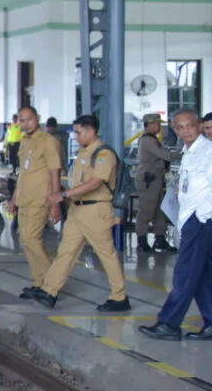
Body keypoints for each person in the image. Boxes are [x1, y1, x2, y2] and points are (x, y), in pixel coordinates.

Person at [21, 115, 131, 312]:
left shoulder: (104, 154)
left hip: (96, 211)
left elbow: (95, 183)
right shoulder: (83, 153)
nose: (76, 137)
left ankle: (119, 297)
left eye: (79, 133)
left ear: (91, 131)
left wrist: (63, 195)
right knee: (66, 252)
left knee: (107, 255)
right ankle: (49, 291)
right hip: (78, 210)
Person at [139, 110, 212, 341]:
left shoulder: (209, 152)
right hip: (190, 218)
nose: (185, 131)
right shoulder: (188, 152)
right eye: (179, 127)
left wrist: (201, 216)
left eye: (189, 125)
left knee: (185, 272)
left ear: (199, 126)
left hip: (200, 221)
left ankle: (169, 323)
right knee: (202, 274)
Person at [6, 106, 62, 291]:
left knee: (31, 239)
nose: (26, 124)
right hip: (24, 199)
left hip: (40, 199)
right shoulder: (24, 141)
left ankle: (51, 285)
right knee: (26, 242)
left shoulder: (48, 141)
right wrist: (14, 199)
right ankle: (39, 282)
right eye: (22, 120)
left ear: (37, 117)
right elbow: (23, 173)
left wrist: (55, 203)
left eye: (29, 119)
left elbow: (55, 173)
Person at [135, 113, 179, 254]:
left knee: (160, 211)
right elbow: (166, 155)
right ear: (149, 125)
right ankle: (142, 241)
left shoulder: (152, 139)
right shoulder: (148, 140)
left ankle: (160, 240)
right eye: (157, 124)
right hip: (149, 180)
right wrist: (184, 152)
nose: (159, 126)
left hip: (157, 180)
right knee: (147, 210)